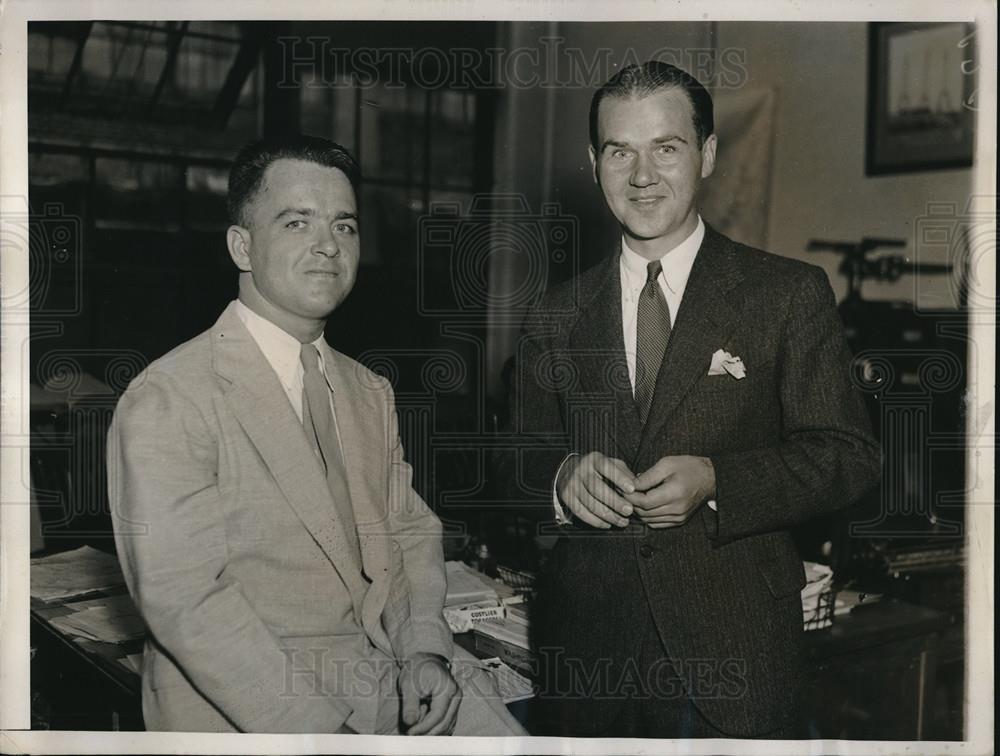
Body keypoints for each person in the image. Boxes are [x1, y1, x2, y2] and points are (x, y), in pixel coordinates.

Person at [506, 62, 881, 738]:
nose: (642, 174)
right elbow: (514, 464)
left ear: (707, 154)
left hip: (732, 658)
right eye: (620, 150)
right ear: (594, 164)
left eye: (666, 148)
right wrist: (560, 479)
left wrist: (717, 480)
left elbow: (848, 456)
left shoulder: (786, 295)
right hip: (588, 665)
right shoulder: (554, 313)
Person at [108, 134, 525, 736]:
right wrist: (314, 732)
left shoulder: (367, 391)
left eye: (345, 226)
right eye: (297, 222)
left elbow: (406, 534)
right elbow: (186, 601)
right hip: (253, 700)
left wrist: (425, 651)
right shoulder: (169, 397)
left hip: (386, 669)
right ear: (241, 246)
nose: (329, 246)